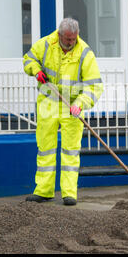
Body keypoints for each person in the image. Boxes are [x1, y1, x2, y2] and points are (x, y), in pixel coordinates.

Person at [22, 18, 103, 206]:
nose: (71, 43)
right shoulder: (45, 44)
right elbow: (28, 59)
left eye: (73, 39)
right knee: (46, 149)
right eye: (67, 39)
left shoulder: (84, 52)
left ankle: (69, 193)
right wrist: (35, 71)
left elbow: (95, 86)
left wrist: (81, 103)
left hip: (72, 107)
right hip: (48, 104)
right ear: (59, 35)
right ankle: (43, 191)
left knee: (70, 151)